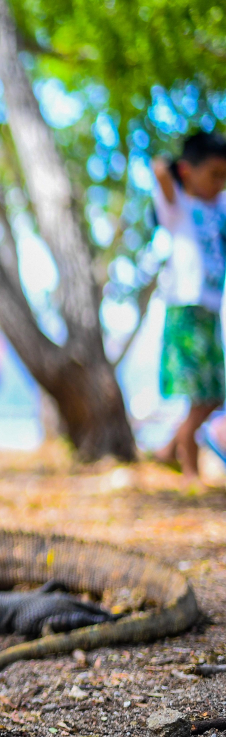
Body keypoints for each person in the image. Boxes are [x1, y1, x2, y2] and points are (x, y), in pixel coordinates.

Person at [151, 132, 226, 482]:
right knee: (199, 394)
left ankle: (167, 451)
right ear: (189, 172)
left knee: (214, 393)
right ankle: (190, 471)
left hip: (210, 310)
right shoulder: (178, 205)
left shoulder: (219, 207)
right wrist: (174, 170)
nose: (219, 183)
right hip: (185, 309)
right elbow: (159, 171)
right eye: (213, 174)